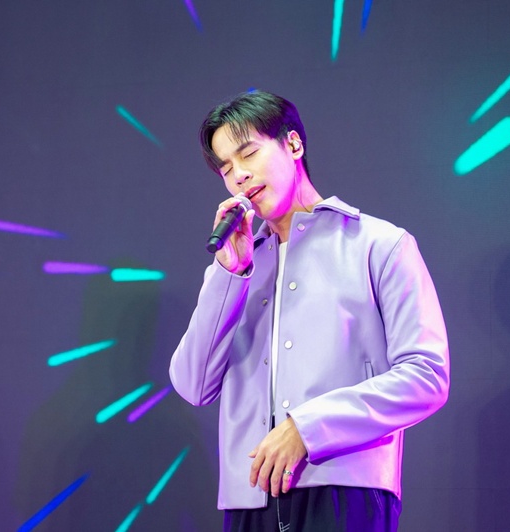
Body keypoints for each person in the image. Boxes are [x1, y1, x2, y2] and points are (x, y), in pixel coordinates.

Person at [169, 90, 450, 531]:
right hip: (249, 500)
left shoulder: (378, 245)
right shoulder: (235, 266)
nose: (239, 175)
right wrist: (229, 274)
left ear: (294, 144)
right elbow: (193, 384)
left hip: (345, 490)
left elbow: (426, 376)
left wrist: (308, 428)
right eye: (226, 168)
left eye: (249, 154)